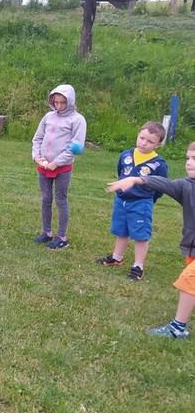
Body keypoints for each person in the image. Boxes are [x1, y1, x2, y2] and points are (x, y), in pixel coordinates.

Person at [106, 142, 195, 339]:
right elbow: (162, 183)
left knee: (189, 280)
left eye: (194, 159)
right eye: (188, 158)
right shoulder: (186, 186)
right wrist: (135, 179)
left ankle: (178, 328)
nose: (189, 163)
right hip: (192, 246)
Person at [96, 122, 168, 280]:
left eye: (150, 141)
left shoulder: (159, 164)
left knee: (140, 235)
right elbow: (120, 172)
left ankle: (138, 266)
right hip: (121, 201)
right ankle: (117, 258)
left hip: (141, 203)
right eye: (142, 138)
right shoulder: (125, 155)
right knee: (121, 230)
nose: (144, 143)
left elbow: (161, 186)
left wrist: (149, 200)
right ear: (138, 135)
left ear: (158, 144)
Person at [31, 84, 87, 249]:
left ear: (70, 101)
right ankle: (47, 232)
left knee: (60, 200)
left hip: (62, 167)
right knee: (46, 199)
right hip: (44, 166)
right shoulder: (48, 117)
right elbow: (38, 138)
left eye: (63, 102)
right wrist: (37, 157)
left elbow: (75, 146)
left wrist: (57, 162)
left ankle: (62, 237)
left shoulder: (77, 120)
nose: (59, 106)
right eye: (56, 102)